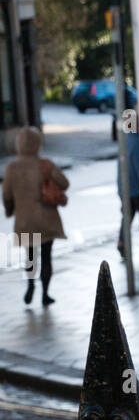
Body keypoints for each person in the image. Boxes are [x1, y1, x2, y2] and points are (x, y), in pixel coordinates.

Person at [2, 126, 68, 307]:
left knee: (30, 255)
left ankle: (31, 285)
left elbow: (6, 195)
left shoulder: (11, 168)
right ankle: (45, 293)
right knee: (47, 256)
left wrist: (9, 210)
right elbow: (64, 183)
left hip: (25, 221)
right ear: (37, 143)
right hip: (47, 219)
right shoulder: (45, 164)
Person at [117, 107, 139, 260]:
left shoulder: (125, 141)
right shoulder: (138, 142)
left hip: (125, 189)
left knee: (127, 218)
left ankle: (122, 244)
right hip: (138, 190)